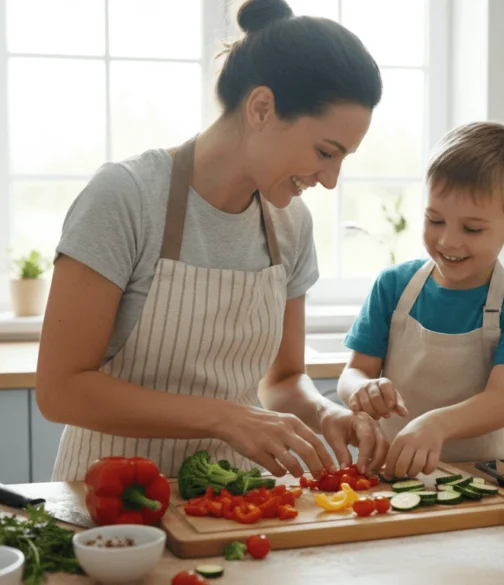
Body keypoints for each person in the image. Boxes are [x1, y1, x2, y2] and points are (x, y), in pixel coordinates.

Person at [36, 0, 389, 482]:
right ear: (261, 107)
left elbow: (283, 382)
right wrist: (225, 417)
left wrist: (326, 414)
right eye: (325, 152)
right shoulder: (127, 197)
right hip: (112, 503)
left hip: (235, 501)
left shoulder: (291, 225)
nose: (330, 180)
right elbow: (61, 390)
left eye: (342, 158)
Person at [337, 121, 504, 479]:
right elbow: (353, 372)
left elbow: (501, 401)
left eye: (472, 229)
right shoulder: (393, 286)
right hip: (390, 477)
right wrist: (362, 389)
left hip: (481, 481)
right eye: (435, 219)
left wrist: (435, 425)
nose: (449, 241)